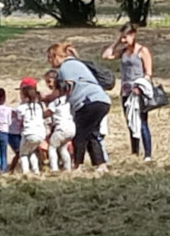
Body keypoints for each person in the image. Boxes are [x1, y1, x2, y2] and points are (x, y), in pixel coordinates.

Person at [47, 42, 111, 174]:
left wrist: (46, 97)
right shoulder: (78, 64)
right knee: (92, 133)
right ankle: (101, 165)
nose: (49, 61)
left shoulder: (67, 66)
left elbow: (67, 86)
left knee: (80, 135)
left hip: (88, 102)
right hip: (102, 100)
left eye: (49, 57)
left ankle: (78, 165)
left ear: (56, 56)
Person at [102, 22, 154, 161]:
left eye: (126, 37)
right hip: (125, 92)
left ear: (133, 35)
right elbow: (106, 56)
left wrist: (140, 87)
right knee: (130, 121)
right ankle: (135, 151)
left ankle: (147, 153)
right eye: (122, 37)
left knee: (142, 121)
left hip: (138, 92)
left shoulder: (142, 51)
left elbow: (148, 73)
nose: (124, 40)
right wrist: (117, 42)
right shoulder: (124, 51)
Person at [43, 72, 75, 173]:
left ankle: (54, 168)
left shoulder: (55, 102)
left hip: (61, 129)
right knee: (63, 148)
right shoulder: (69, 101)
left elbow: (47, 114)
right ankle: (67, 168)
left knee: (52, 147)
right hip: (71, 129)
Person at [16, 78, 46, 175]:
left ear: (26, 97)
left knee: (23, 154)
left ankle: (26, 172)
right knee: (32, 151)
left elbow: (20, 121)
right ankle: (36, 170)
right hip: (40, 133)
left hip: (29, 133)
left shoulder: (21, 108)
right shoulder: (39, 106)